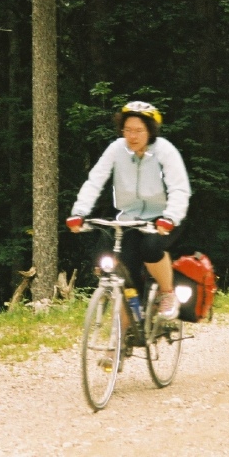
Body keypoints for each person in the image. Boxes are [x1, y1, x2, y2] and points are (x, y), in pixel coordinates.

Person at [66, 101, 191, 320]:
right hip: (129, 219)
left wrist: (170, 217)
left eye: (139, 130)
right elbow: (95, 180)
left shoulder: (165, 151)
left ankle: (167, 293)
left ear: (150, 131)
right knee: (124, 275)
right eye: (128, 130)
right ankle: (122, 343)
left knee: (151, 249)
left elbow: (179, 188)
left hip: (164, 219)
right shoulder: (116, 149)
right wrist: (79, 213)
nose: (132, 136)